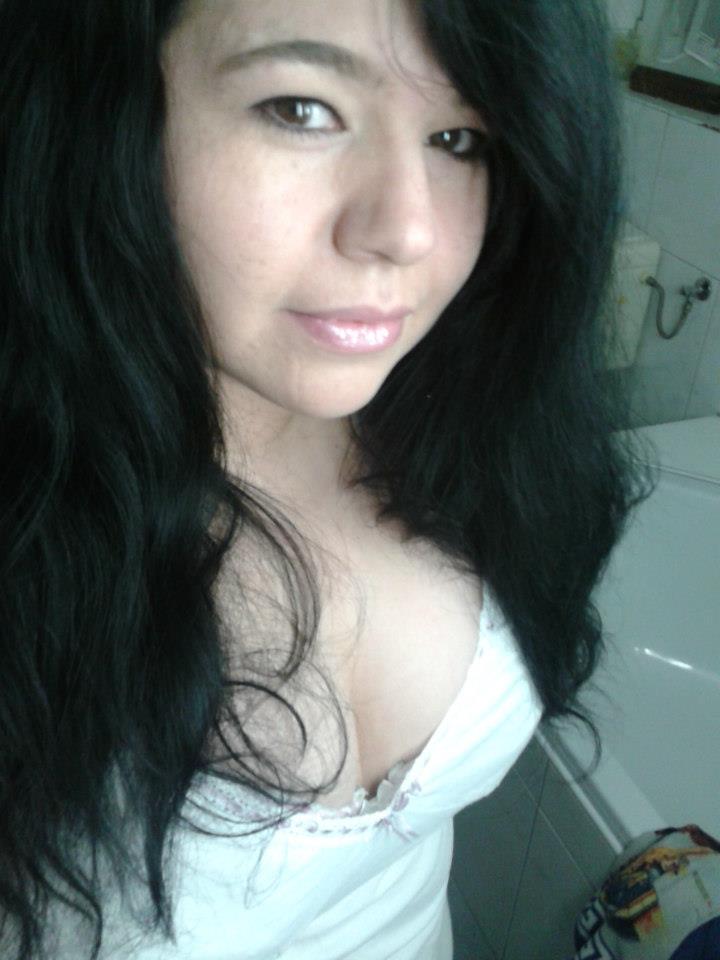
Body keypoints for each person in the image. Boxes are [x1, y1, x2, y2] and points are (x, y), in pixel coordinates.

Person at [0, 0, 656, 957]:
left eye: (459, 139)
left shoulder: (471, 422)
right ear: (100, 109)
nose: (407, 229)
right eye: (301, 109)